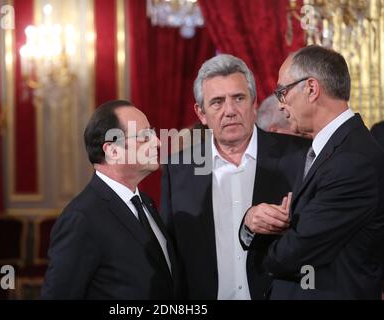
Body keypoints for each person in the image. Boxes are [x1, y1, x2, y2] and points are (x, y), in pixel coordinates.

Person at [161, 54, 309, 300]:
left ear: (253, 103)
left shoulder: (298, 156)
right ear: (201, 113)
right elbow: (172, 253)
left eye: (238, 98)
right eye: (217, 102)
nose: (229, 111)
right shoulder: (179, 169)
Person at [242, 45, 384, 299]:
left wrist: (263, 243)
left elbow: (293, 253)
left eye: (282, 92)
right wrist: (254, 220)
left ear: (311, 88)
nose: (281, 105)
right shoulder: (327, 150)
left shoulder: (352, 161)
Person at [41, 100, 183, 299]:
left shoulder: (146, 203)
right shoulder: (81, 218)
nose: (158, 142)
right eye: (144, 136)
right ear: (113, 151)